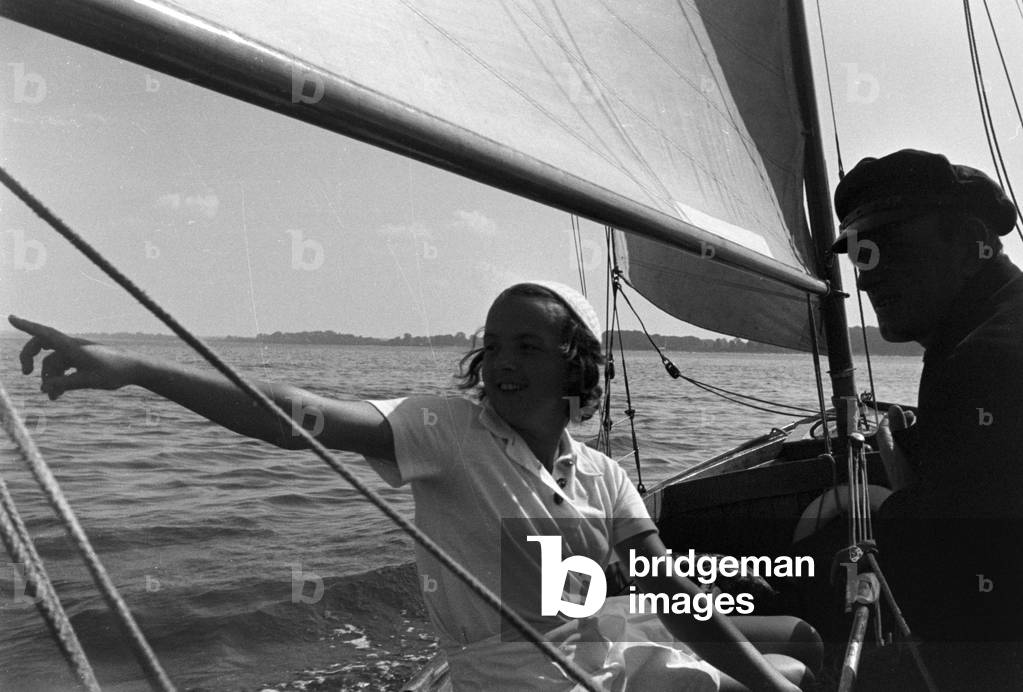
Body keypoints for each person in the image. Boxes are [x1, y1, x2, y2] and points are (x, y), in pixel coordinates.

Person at [10, 281, 819, 691]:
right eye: (493, 344)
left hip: (601, 656)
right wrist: (140, 369)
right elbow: (296, 418)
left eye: (527, 346)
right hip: (518, 682)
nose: (501, 361)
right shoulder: (446, 429)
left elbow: (668, 588)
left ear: (575, 364)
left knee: (801, 659)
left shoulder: (599, 473)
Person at [830, 149, 1023, 687]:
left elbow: (960, 579)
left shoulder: (983, 358)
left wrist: (883, 521)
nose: (865, 280)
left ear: (968, 244)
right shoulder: (989, 329)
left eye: (887, 249)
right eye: (859, 255)